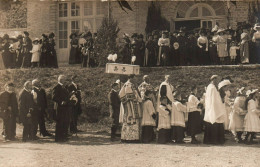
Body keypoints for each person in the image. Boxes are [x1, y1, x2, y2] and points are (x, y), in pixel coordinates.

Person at [52, 75, 76, 142]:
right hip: (59, 108)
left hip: (65, 108)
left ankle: (63, 137)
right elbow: (54, 97)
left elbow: (65, 97)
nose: (66, 81)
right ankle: (58, 138)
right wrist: (60, 101)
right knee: (60, 123)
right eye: (65, 80)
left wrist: (70, 95)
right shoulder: (56, 87)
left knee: (65, 123)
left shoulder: (64, 87)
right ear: (61, 80)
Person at [119, 74, 142, 143]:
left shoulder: (131, 84)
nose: (135, 79)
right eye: (134, 78)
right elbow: (128, 95)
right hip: (130, 105)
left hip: (133, 104)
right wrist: (138, 99)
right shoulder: (128, 85)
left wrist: (139, 99)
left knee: (132, 120)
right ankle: (129, 138)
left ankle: (131, 137)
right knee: (130, 119)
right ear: (130, 78)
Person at [203, 75, 226, 145]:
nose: (217, 81)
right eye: (217, 79)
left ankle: (214, 139)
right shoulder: (212, 88)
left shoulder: (212, 87)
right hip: (213, 107)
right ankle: (213, 140)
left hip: (214, 107)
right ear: (213, 79)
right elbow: (213, 99)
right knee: (214, 121)